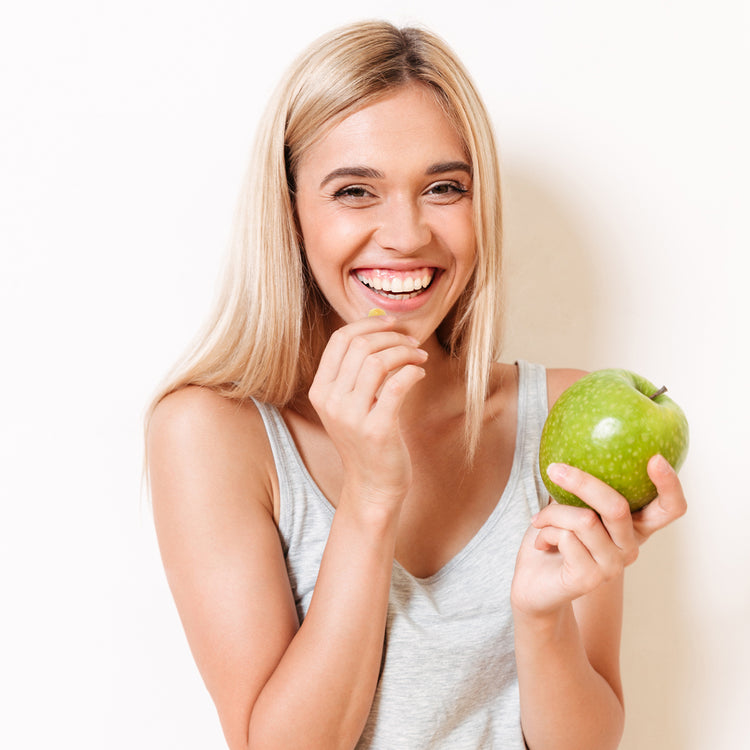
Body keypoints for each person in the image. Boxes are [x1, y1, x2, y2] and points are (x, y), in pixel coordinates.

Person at [146, 20, 687, 750]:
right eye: (355, 191)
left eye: (443, 187)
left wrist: (541, 617)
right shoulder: (215, 432)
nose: (405, 234)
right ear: (290, 207)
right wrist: (371, 496)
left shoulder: (561, 415)